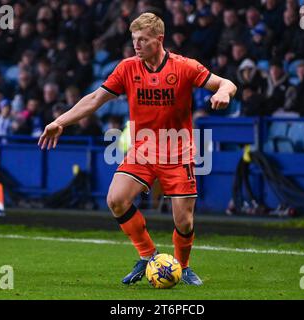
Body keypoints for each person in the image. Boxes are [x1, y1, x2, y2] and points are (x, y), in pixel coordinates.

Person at [38, 13, 237, 286]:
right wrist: (60, 121)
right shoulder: (127, 68)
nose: (137, 45)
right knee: (116, 199)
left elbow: (226, 82)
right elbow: (96, 99)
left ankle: (183, 266)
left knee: (185, 221)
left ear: (159, 39)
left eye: (143, 39)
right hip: (142, 150)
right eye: (134, 40)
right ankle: (148, 256)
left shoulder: (184, 66)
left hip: (179, 152)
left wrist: (224, 92)